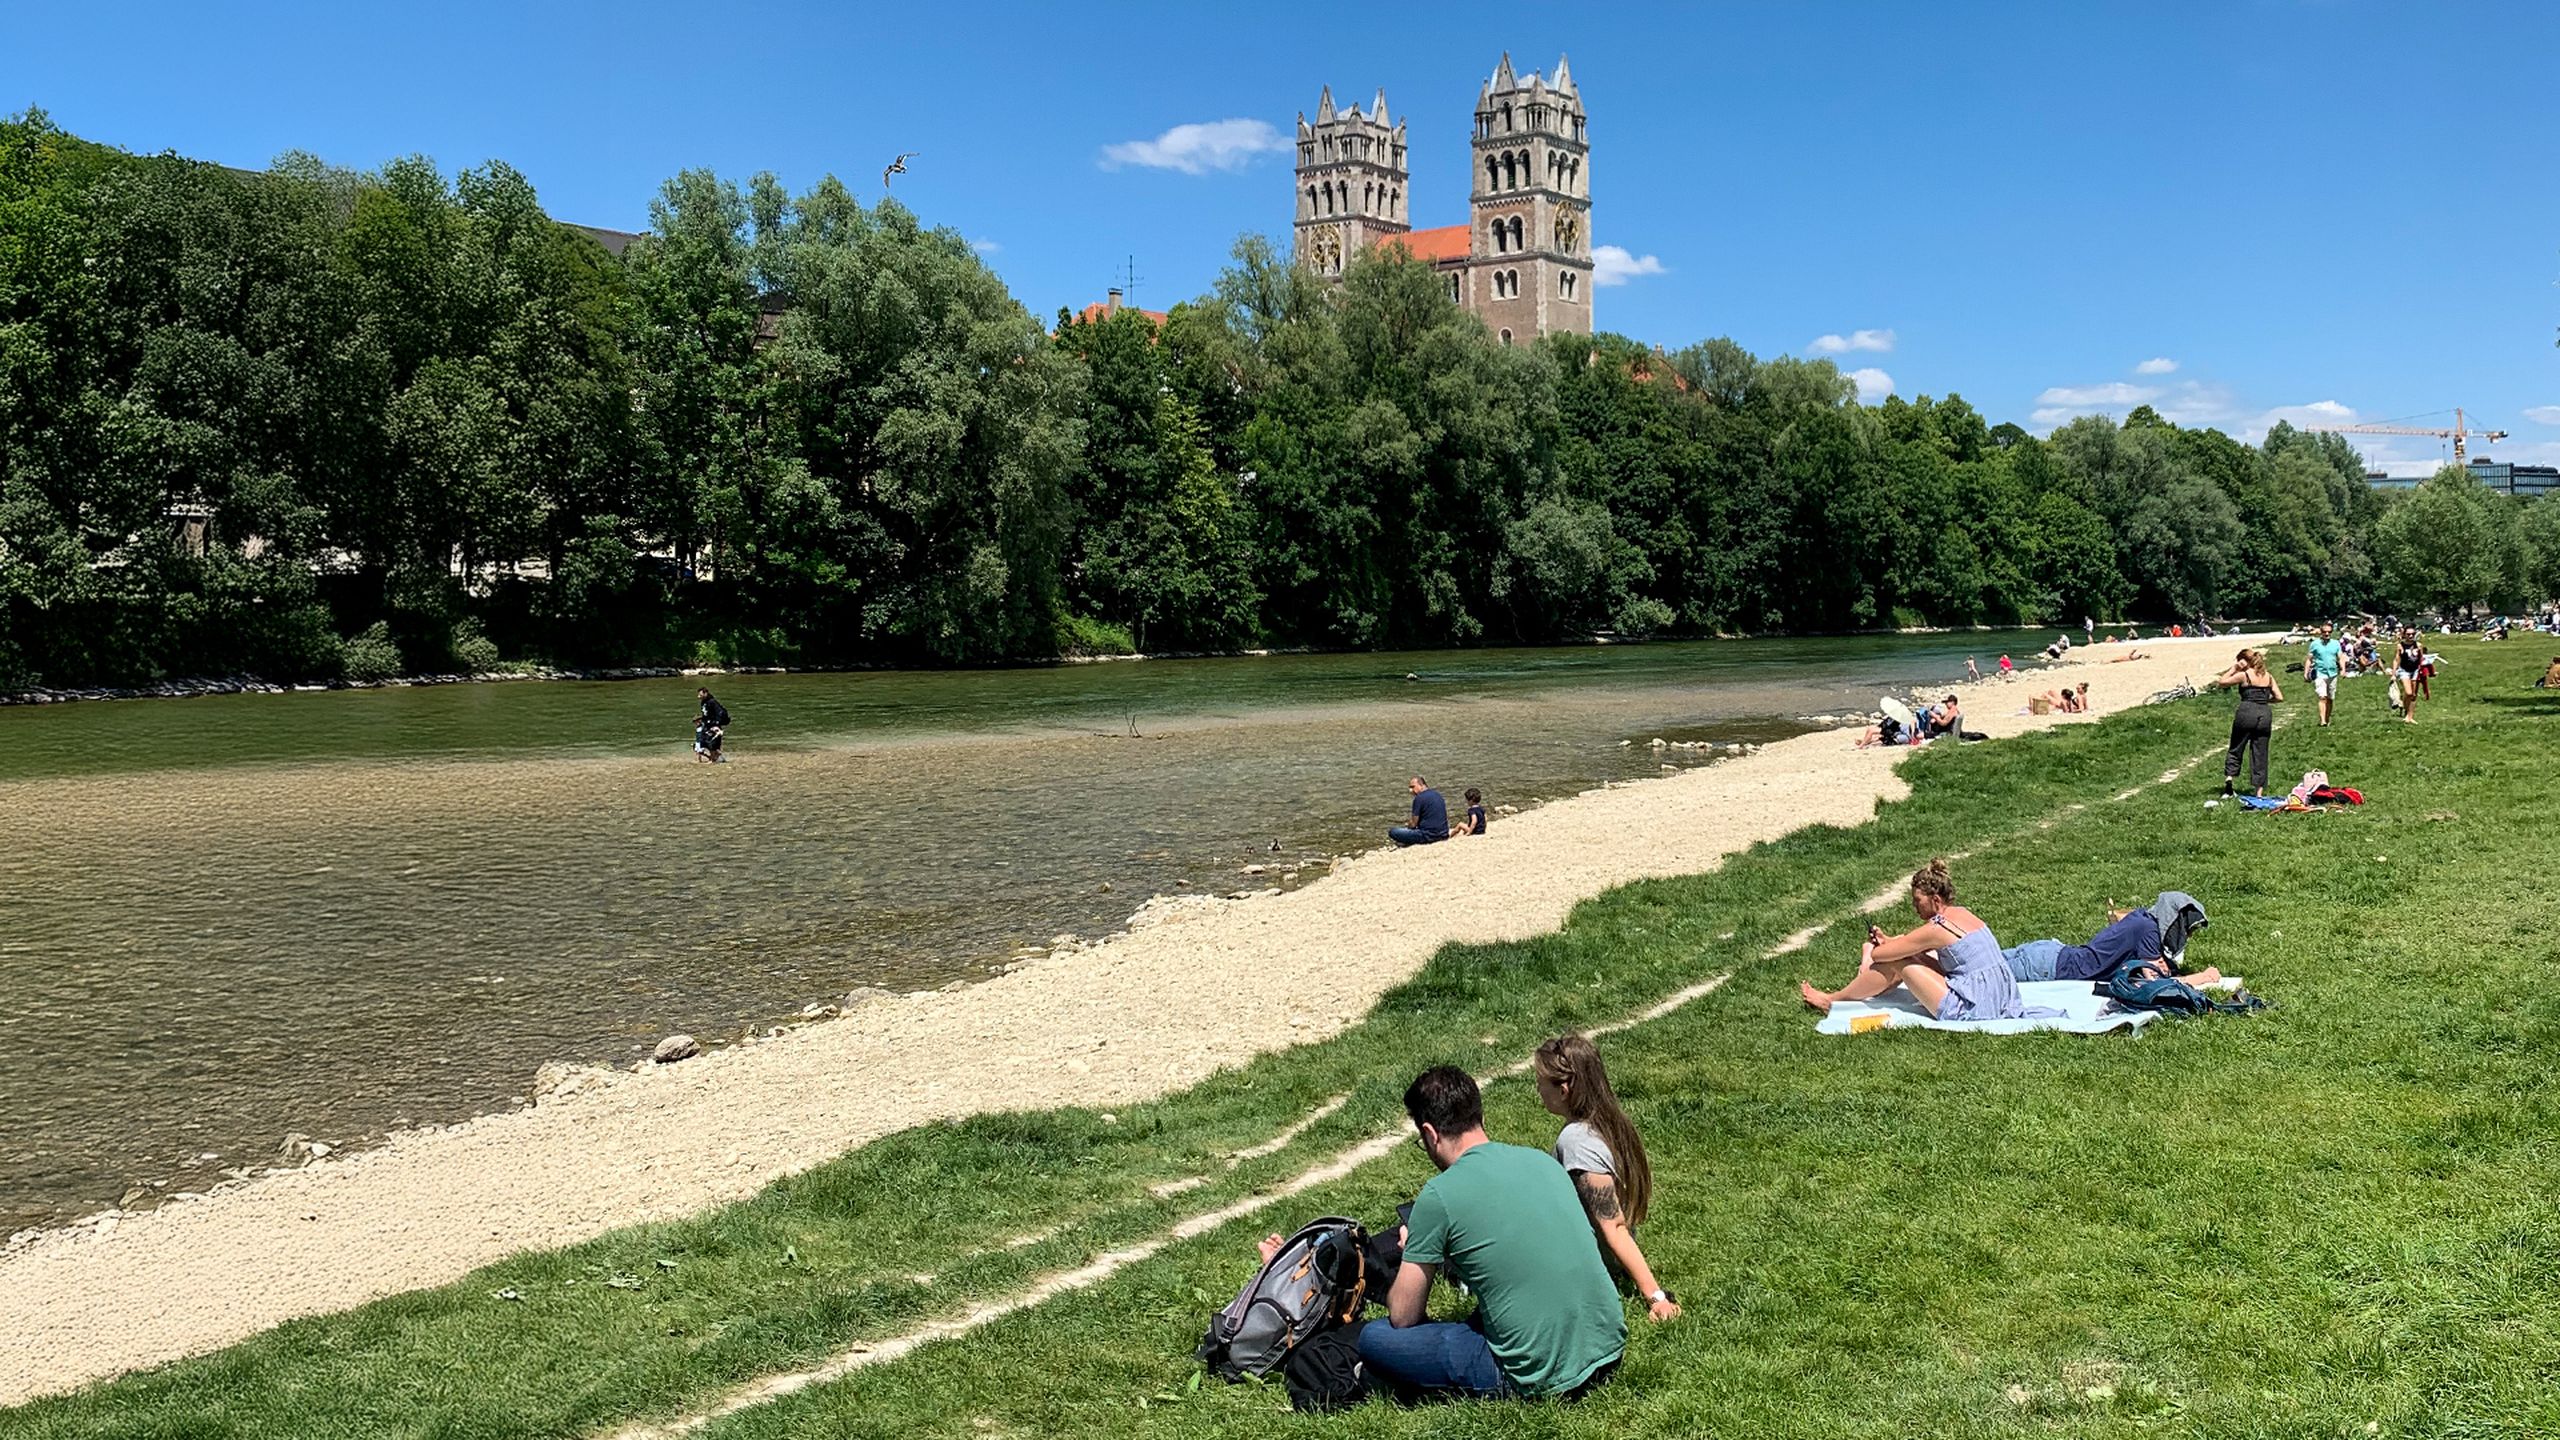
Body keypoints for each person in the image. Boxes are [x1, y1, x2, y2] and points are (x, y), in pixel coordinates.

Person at [1357, 1066, 1627, 1401]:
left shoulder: (1439, 1195)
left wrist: (1415, 1248)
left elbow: (1403, 1316)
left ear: (1430, 1133)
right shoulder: (1540, 1161)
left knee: (1374, 1337)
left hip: (1535, 1375)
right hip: (1608, 1346)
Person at [1532, 1035, 1678, 1324]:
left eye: (1541, 1082)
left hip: (1585, 1265)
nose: (1537, 1089)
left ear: (1564, 1090)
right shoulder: (1610, 1122)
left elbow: (1614, 1225)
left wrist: (1656, 1297)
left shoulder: (1577, 1142)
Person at [1798, 859, 2031, 1022]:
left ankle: (1832, 1000)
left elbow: (1880, 955)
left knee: (1897, 960)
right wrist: (1890, 940)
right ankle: (1864, 985)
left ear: (1935, 899)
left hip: (1975, 1008)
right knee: (1907, 951)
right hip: (2000, 997)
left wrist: (1881, 948)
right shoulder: (1963, 913)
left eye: (1918, 900)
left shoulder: (1937, 928)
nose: (1914, 906)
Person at [2001, 897, 2222, 987]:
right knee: (1973, 977)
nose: (2188, 937)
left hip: (2047, 953)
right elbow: (2155, 986)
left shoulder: (2142, 919)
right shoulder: (2150, 932)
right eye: (2188, 930)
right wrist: (2202, 977)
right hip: (2048, 968)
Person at [2209, 648, 2280, 797]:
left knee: (2236, 747)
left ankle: (2229, 783)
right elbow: (2279, 697)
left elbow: (2222, 682)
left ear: (2244, 661)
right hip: (2264, 714)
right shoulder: (2269, 676)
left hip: (2247, 712)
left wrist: (2234, 668)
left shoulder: (2244, 675)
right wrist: (2264, 700)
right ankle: (2258, 792)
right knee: (2260, 752)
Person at [1390, 777, 1451, 847]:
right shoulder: (1437, 795)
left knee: (1393, 832)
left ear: (1421, 785)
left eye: (1413, 787)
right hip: (1443, 834)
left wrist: (1408, 827)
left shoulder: (1419, 798)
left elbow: (1413, 824)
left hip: (1429, 836)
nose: (1410, 790)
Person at [2305, 623, 2343, 727]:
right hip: (2320, 673)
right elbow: (2309, 659)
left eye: (2329, 632)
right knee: (2322, 697)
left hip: (2333, 673)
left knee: (2330, 698)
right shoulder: (2315, 644)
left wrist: (2343, 669)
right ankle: (2322, 721)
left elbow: (2340, 656)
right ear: (2321, 632)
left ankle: (2327, 718)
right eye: (2324, 632)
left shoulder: (2336, 643)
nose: (2327, 634)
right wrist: (2306, 672)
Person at [2393, 629, 2427, 723]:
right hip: (2404, 670)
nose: (2411, 636)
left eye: (2412, 634)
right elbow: (2396, 660)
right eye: (2408, 634)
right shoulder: (2400, 646)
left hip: (2415, 670)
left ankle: (2409, 716)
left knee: (2413, 694)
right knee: (2408, 692)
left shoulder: (2418, 645)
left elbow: (2422, 659)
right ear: (2404, 635)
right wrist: (2393, 673)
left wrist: (2428, 669)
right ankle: (2404, 706)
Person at [694, 688, 731, 763]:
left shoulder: (712, 702)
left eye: (700, 695)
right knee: (704, 742)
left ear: (705, 693)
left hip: (713, 725)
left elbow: (720, 712)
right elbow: (705, 714)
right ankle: (717, 758)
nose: (699, 696)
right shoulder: (703, 702)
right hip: (707, 725)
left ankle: (713, 759)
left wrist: (717, 723)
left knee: (712, 742)